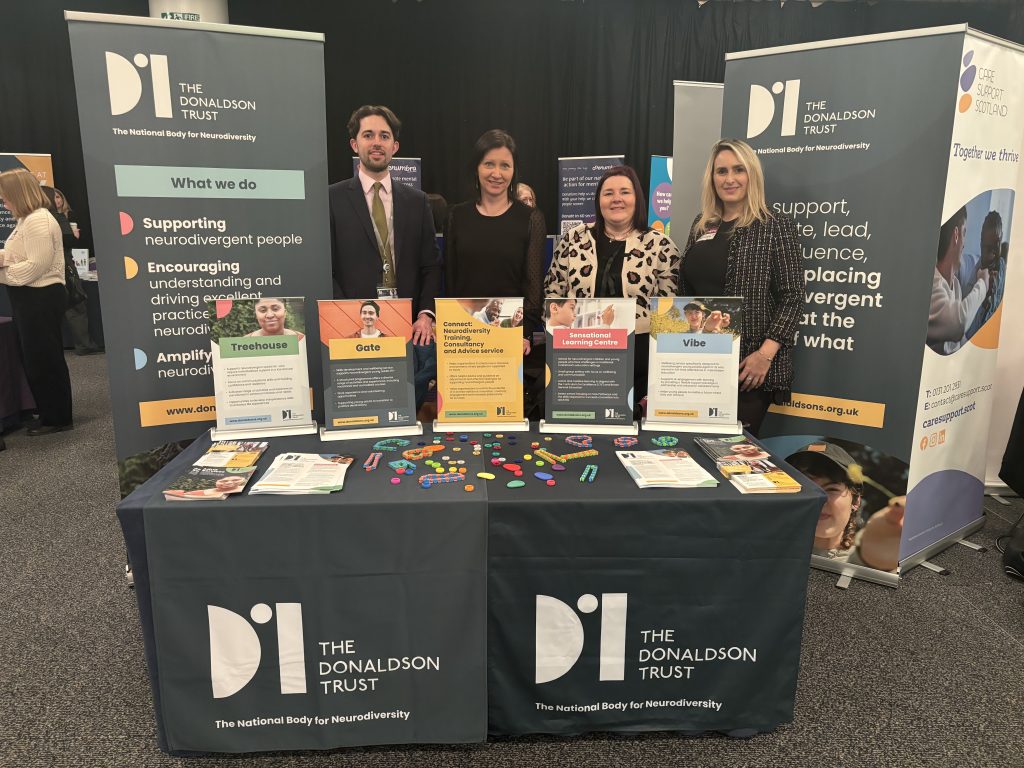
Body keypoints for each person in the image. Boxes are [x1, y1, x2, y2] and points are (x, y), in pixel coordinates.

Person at [679, 139, 803, 436]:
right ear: (712, 178)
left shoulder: (775, 225)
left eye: (738, 170)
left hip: (747, 368)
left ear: (752, 175)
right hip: (698, 362)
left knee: (733, 455)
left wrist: (765, 355)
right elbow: (686, 291)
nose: (729, 179)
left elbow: (793, 295)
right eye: (721, 171)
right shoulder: (701, 224)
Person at [329, 105, 441, 406]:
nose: (376, 142)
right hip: (355, 329)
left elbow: (431, 265)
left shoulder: (417, 202)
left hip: (409, 327)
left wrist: (426, 314)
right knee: (365, 410)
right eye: (368, 135)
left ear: (395, 146)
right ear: (355, 144)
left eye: (384, 135)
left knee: (406, 408)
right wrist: (343, 318)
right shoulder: (332, 199)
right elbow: (327, 267)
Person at [545, 165, 680, 406]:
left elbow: (670, 310)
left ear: (637, 198)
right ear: (598, 201)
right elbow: (553, 291)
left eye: (625, 192)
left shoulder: (661, 245)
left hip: (639, 361)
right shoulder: (574, 238)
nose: (617, 199)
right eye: (608, 193)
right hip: (578, 357)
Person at [444, 130, 546, 356]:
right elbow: (451, 284)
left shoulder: (531, 218)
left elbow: (533, 286)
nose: (496, 173)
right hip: (463, 335)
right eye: (489, 164)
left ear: (514, 170)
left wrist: (523, 333)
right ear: (477, 167)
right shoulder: (455, 216)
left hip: (511, 334)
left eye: (505, 166)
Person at [0, 169, 73, 436]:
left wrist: (3, 273)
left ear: (18, 195)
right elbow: (15, 255)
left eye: (6, 198)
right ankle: (48, 411)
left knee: (45, 358)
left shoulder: (38, 221)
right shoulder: (26, 220)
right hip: (29, 297)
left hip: (40, 296)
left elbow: (35, 267)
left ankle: (58, 418)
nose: (4, 204)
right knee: (35, 358)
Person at [787, 442, 902, 572]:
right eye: (806, 487)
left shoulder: (867, 554)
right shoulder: (765, 549)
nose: (818, 499)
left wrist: (873, 562)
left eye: (831, 489)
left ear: (856, 501)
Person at [41, 186, 101, 355]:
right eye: (54, 197)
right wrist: (72, 235)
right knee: (76, 304)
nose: (57, 200)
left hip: (44, 270)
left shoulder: (34, 219)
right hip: (63, 264)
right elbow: (69, 242)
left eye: (60, 197)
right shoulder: (56, 217)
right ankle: (84, 345)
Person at [927, 206, 989, 355]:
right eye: (964, 233)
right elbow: (958, 324)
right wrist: (983, 285)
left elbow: (959, 342)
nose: (964, 243)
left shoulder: (956, 286)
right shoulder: (932, 284)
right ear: (956, 235)